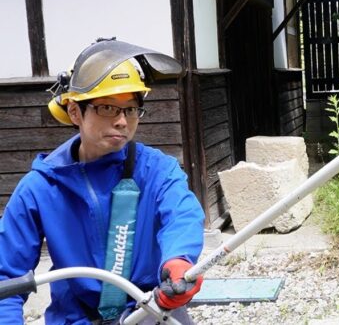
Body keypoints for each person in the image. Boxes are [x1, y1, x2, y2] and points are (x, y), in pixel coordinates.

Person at [0, 39, 205, 324]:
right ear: (74, 111)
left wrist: (179, 261)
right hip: (75, 318)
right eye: (108, 108)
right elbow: (6, 279)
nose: (122, 121)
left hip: (151, 310)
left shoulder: (158, 170)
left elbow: (182, 216)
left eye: (131, 109)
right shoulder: (40, 188)